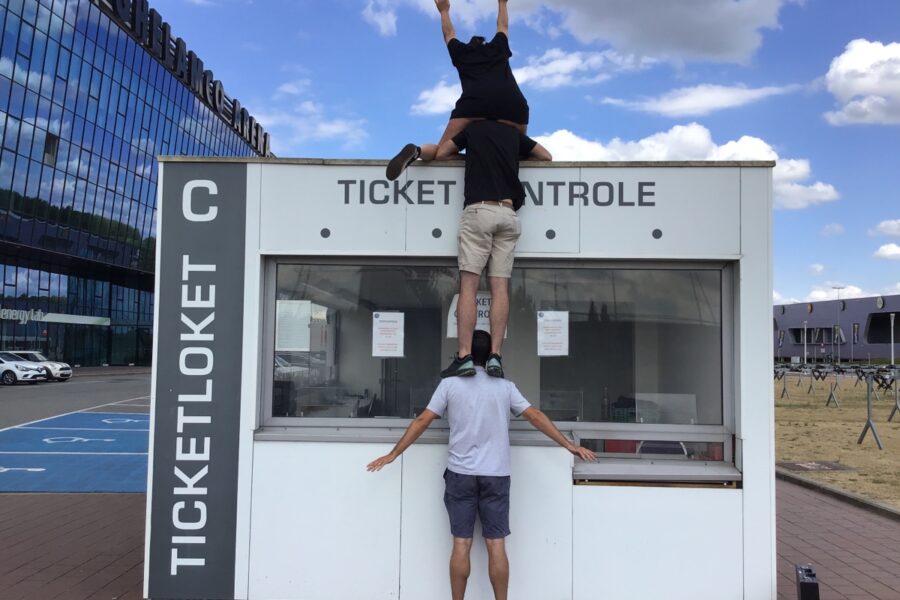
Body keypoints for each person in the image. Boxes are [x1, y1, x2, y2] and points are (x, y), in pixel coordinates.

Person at [366, 330, 597, 600]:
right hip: (496, 475)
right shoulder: (505, 387)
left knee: (461, 543)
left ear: (462, 355)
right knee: (496, 544)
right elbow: (534, 415)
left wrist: (394, 453)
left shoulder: (449, 385)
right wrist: (569, 444)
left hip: (460, 475)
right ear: (492, 356)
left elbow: (422, 421)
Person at [437, 119, 551, 379]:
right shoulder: (513, 135)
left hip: (479, 209)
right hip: (509, 214)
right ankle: (495, 356)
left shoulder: (474, 129)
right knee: (500, 287)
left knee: (469, 286)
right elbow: (546, 156)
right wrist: (511, 159)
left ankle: (465, 356)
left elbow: (443, 152)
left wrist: (469, 157)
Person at [386, 0, 530, 181]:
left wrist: (444, 11)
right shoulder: (497, 47)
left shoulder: (462, 53)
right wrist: (502, 3)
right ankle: (506, 160)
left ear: (469, 46)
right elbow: (503, 26)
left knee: (440, 152)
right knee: (517, 148)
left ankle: (418, 151)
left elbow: (449, 33)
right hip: (511, 103)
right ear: (484, 43)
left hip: (474, 104)